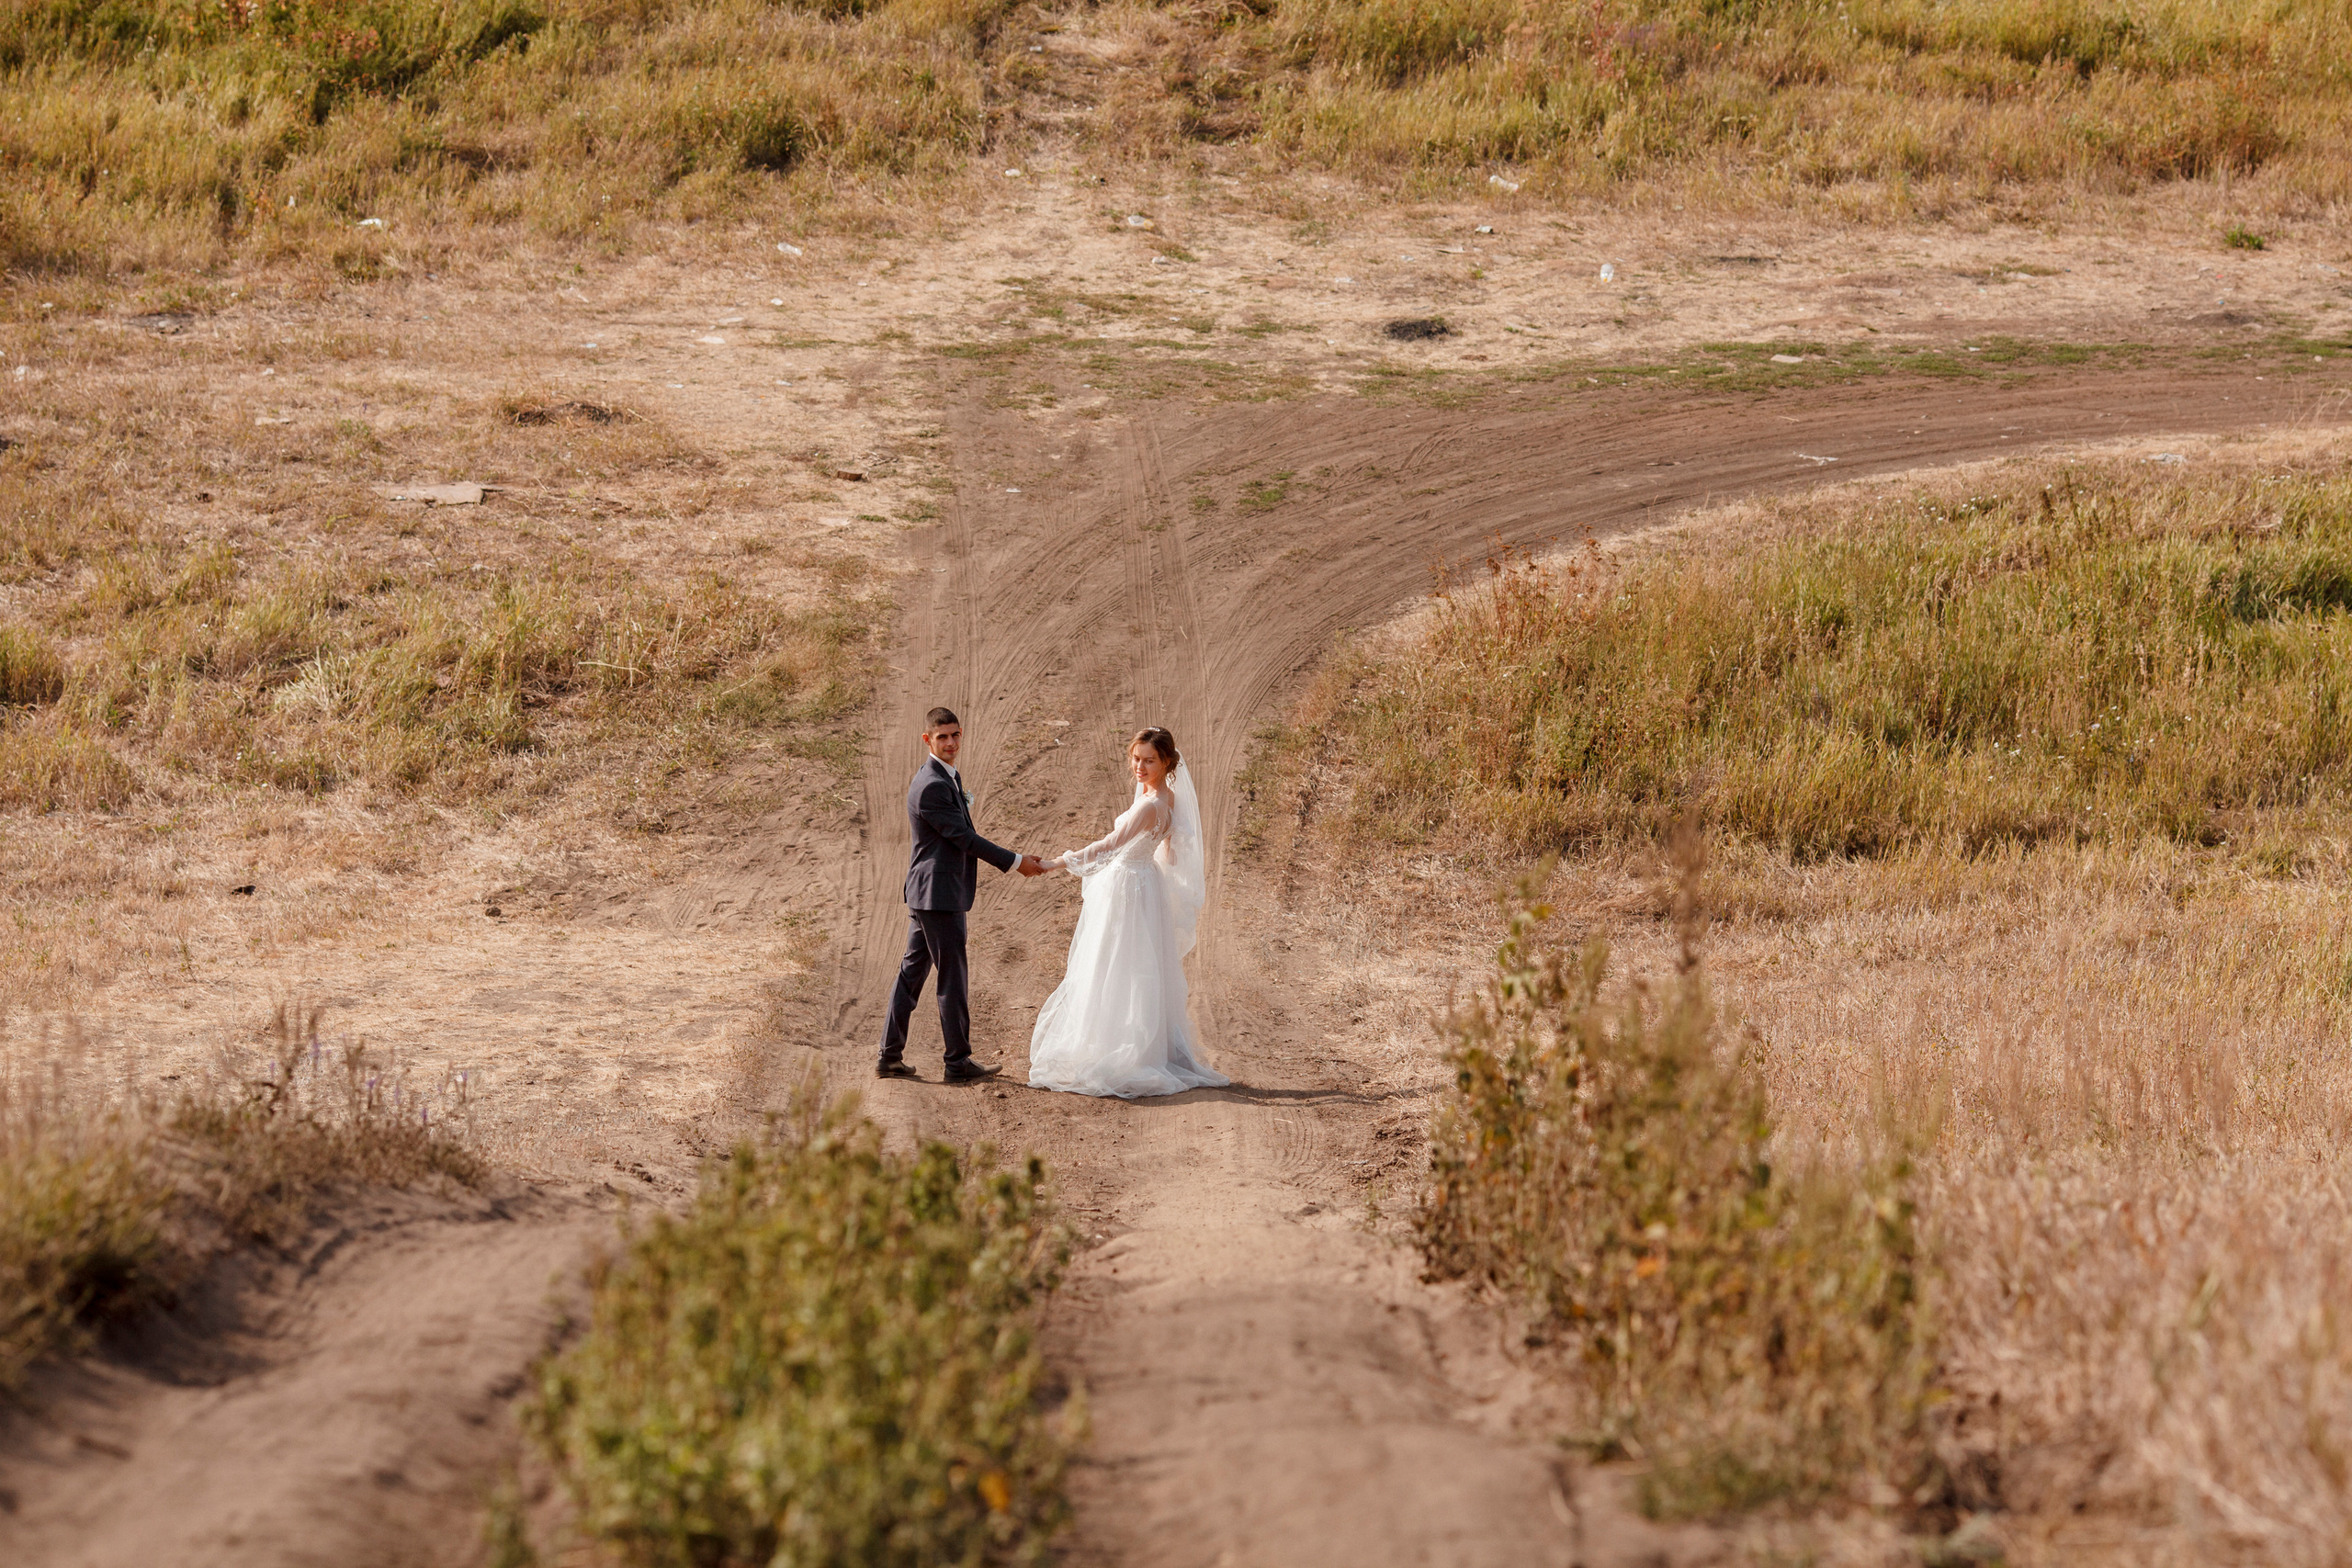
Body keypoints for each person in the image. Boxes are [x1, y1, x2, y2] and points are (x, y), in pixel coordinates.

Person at [1027, 727, 1231, 1099]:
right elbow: (1168, 853)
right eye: (1136, 758)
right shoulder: (1169, 800)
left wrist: (1059, 861)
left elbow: (1111, 845)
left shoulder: (1150, 805)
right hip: (1145, 885)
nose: (1139, 766)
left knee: (1114, 962)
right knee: (1136, 964)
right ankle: (1142, 1043)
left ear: (1166, 762)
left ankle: (1117, 1049)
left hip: (1128, 886)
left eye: (1149, 760)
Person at [876, 707, 1047, 1082]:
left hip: (927, 894)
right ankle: (957, 1063)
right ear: (927, 740)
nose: (951, 743)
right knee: (952, 979)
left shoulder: (941, 776)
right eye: (942, 737)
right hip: (938, 897)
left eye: (955, 735)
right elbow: (965, 839)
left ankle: (889, 1057)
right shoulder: (933, 784)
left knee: (911, 975)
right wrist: (1016, 861)